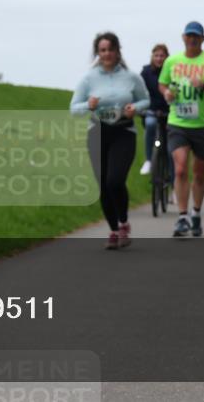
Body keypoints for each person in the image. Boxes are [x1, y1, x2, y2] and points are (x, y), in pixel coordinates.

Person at [71, 32, 150, 249]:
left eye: (110, 49)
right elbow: (73, 109)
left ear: (117, 52)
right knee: (103, 186)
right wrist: (89, 105)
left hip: (124, 132)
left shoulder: (131, 77)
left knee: (114, 180)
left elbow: (145, 100)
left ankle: (124, 222)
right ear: (98, 53)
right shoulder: (89, 78)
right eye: (102, 50)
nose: (106, 54)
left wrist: (135, 108)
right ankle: (114, 230)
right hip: (97, 133)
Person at [158, 21, 204, 238]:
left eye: (196, 36)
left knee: (199, 172)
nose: (192, 39)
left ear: (203, 39)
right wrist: (166, 94)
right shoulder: (172, 61)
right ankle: (182, 217)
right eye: (189, 36)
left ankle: (196, 212)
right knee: (180, 169)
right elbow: (163, 83)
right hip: (178, 123)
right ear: (183, 38)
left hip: (203, 125)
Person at [139, 44, 170, 176]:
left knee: (171, 137)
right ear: (152, 57)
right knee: (150, 124)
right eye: (156, 55)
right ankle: (148, 160)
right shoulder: (146, 72)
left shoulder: (171, 71)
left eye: (162, 55)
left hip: (168, 111)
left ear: (166, 57)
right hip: (151, 110)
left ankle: (170, 168)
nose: (159, 58)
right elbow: (139, 91)